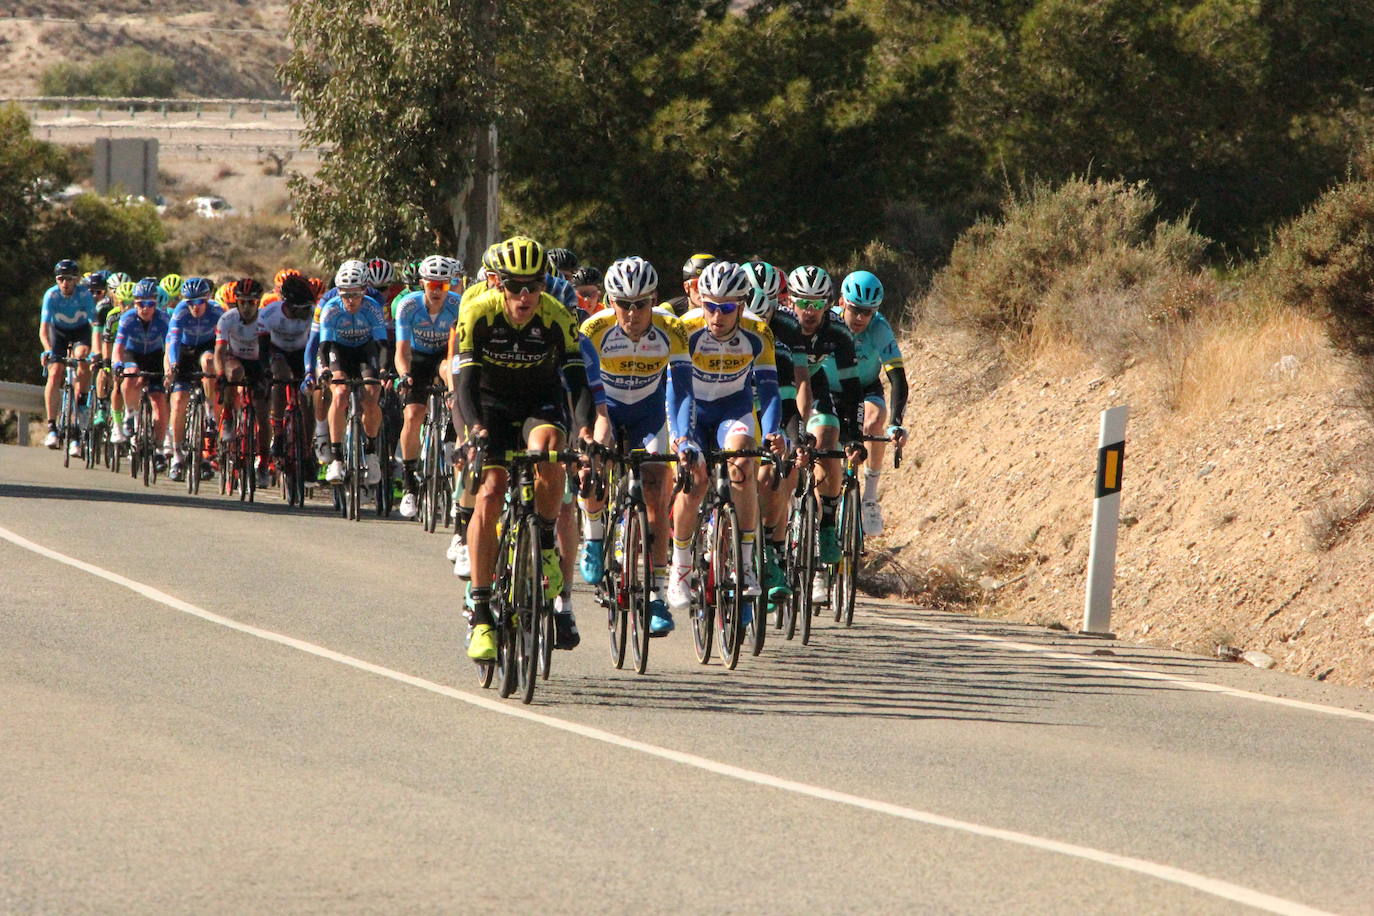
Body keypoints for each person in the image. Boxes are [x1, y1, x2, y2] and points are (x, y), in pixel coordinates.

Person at [453, 235, 593, 661]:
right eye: (516, 286)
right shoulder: (477, 313)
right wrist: (473, 429)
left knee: (551, 450)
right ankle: (480, 614)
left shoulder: (557, 316)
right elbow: (462, 384)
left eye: (534, 284)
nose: (525, 295)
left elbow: (577, 380)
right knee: (491, 491)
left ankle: (546, 541)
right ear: (500, 285)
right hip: (489, 405)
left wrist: (585, 433)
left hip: (539, 401)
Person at [577, 256, 692, 635]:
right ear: (610, 302)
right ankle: (594, 534)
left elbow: (682, 388)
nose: (631, 312)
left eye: (640, 303)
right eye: (623, 304)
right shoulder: (593, 329)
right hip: (606, 412)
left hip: (649, 415)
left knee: (657, 493)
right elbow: (580, 386)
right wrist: (585, 431)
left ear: (653, 299)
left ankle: (657, 594)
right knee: (591, 470)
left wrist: (682, 435)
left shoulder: (671, 329)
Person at [667, 260, 785, 619]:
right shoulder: (683, 329)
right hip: (692, 410)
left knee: (743, 465)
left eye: (727, 308)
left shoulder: (757, 332)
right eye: (710, 306)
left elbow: (769, 390)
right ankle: (681, 566)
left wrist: (774, 431)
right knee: (695, 480)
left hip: (732, 410)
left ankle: (747, 563)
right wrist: (681, 437)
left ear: (742, 305)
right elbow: (678, 391)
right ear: (700, 301)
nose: (717, 316)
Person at [788, 264, 865, 604]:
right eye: (802, 302)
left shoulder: (838, 333)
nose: (809, 311)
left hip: (814, 387)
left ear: (829, 304)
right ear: (789, 301)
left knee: (829, 438)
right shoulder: (777, 324)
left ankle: (828, 524)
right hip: (775, 387)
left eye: (817, 304)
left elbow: (850, 387)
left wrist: (854, 434)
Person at [834, 270, 909, 535]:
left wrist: (896, 424)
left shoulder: (879, 328)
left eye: (868, 312)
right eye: (856, 310)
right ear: (842, 302)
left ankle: (869, 497)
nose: (861, 318)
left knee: (874, 421)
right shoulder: (829, 323)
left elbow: (897, 378)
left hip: (866, 388)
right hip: (831, 391)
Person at [393, 255, 461, 519]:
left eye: (443, 286)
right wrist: (404, 375)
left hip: (444, 357)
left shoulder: (458, 305)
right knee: (412, 415)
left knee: (451, 373)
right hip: (417, 359)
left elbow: (457, 352)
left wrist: (455, 388)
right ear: (422, 283)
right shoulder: (408, 306)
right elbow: (401, 352)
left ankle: (450, 440)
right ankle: (409, 483)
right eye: (432, 285)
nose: (436, 291)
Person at [317, 261, 388, 485]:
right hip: (339, 351)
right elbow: (324, 346)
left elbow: (383, 345)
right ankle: (336, 458)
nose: (350, 300)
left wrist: (384, 370)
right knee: (339, 393)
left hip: (365, 351)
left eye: (355, 294)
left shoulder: (372, 307)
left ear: (364, 291)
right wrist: (325, 368)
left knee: (371, 392)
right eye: (345, 294)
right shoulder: (331, 308)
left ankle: (370, 452)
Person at [165, 277, 222, 481]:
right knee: (179, 401)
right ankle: (177, 455)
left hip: (206, 348)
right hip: (184, 350)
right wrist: (172, 365)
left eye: (199, 302)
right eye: (190, 302)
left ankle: (209, 412)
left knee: (208, 362)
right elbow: (172, 340)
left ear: (207, 299)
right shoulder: (180, 311)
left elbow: (224, 343)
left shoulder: (217, 311)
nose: (194, 307)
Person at [216, 277, 270, 488]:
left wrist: (266, 375)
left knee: (263, 414)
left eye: (252, 302)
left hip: (258, 361)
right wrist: (221, 375)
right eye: (243, 302)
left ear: (259, 302)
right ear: (236, 301)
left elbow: (267, 352)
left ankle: (264, 464)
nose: (247, 307)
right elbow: (220, 350)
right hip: (235, 358)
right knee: (234, 372)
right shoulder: (227, 319)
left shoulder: (265, 320)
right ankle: (228, 414)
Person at [39, 259, 96, 454]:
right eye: (61, 279)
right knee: (55, 372)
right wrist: (47, 350)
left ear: (76, 280)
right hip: (59, 333)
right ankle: (52, 427)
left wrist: (95, 351)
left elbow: (95, 325)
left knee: (82, 357)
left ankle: (82, 402)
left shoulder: (85, 295)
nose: (65, 283)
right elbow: (44, 329)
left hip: (80, 332)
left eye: (69, 279)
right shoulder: (51, 295)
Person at [259, 274, 317, 461]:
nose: (306, 313)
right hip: (277, 350)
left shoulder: (313, 313)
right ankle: (278, 433)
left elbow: (317, 343)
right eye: (302, 309)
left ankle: (307, 451)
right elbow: (261, 346)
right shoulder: (270, 313)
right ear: (289, 305)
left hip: (302, 352)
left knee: (307, 399)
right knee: (280, 376)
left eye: (308, 307)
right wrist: (265, 372)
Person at [111, 278, 171, 457]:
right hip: (132, 354)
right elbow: (118, 347)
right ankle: (130, 414)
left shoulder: (163, 319)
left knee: (159, 401)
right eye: (140, 304)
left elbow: (169, 347)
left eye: (150, 304)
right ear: (134, 303)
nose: (145, 308)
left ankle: (159, 448)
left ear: (155, 304)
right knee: (130, 374)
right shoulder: (127, 318)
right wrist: (117, 365)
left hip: (155, 356)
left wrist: (169, 368)